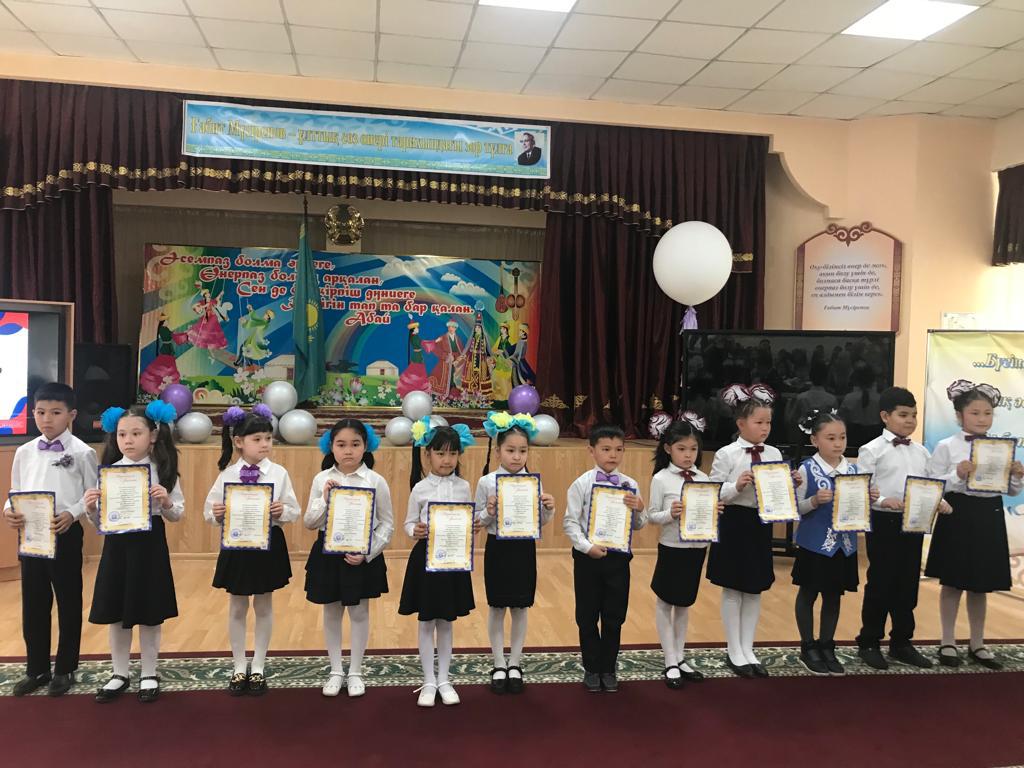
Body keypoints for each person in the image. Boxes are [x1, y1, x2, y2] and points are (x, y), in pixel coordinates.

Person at [3, 383, 97, 697]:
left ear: (71, 415)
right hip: (32, 536)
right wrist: (9, 510)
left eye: (55, 412)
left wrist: (72, 513)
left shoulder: (83, 452)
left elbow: (92, 494)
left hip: (65, 534)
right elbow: (15, 490)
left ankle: (66, 667)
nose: (47, 419)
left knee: (68, 602)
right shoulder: (24, 451)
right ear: (33, 413)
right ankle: (37, 669)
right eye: (41, 412)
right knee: (33, 603)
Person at [85, 402, 183, 703]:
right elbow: (99, 521)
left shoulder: (164, 471)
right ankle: (119, 673)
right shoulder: (109, 472)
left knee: (150, 611)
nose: (128, 440)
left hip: (149, 545)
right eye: (122, 434)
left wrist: (166, 502)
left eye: (136, 433)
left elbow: (177, 514)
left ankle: (149, 672)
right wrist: (92, 508)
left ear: (152, 435)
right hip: (117, 546)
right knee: (116, 611)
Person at [926, 380, 1023, 670]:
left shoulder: (1001, 448)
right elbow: (933, 485)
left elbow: (1010, 491)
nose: (982, 419)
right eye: (975, 413)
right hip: (957, 514)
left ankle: (977, 643)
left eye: (988, 413)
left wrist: (1017, 476)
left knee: (981, 584)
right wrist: (957, 474)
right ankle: (947, 641)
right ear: (959, 415)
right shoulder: (946, 446)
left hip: (988, 514)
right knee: (952, 581)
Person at [204, 404, 299, 696]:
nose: (264, 444)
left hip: (268, 545)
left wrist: (283, 511)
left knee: (264, 604)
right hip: (237, 547)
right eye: (257, 439)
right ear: (239, 441)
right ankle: (238, 665)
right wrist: (216, 513)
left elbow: (294, 510)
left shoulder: (279, 473)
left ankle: (258, 665)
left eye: (268, 438)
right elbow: (209, 511)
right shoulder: (227, 474)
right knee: (237, 606)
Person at [709, 384, 801, 678]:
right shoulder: (726, 454)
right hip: (733, 522)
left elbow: (777, 492)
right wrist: (736, 486)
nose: (765, 428)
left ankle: (748, 648)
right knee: (732, 586)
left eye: (768, 423)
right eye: (759, 422)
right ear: (741, 424)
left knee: (754, 587)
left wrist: (791, 483)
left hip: (760, 523)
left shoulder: (773, 452)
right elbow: (712, 491)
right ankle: (733, 649)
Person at [304, 419, 393, 698]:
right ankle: (335, 670)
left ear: (366, 446)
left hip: (361, 556)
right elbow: (309, 522)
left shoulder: (376, 481)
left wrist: (367, 553)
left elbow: (387, 524)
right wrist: (324, 498)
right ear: (330, 447)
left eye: (355, 444)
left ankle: (355, 671)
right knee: (331, 611)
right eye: (341, 444)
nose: (348, 451)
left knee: (359, 612)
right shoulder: (321, 479)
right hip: (328, 555)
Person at [854, 386, 939, 670]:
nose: (910, 420)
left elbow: (929, 484)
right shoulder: (871, 450)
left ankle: (901, 641)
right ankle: (869, 641)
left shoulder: (922, 451)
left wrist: (938, 500)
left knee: (907, 584)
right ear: (885, 416)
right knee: (881, 582)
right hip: (884, 523)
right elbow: (862, 488)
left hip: (913, 523)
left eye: (914, 415)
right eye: (903, 415)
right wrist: (881, 500)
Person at [398, 419, 478, 707]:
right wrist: (414, 530)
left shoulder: (464, 486)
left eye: (453, 454)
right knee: (426, 621)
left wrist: (472, 525)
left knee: (446, 621)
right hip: (426, 560)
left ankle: (444, 679)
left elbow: (467, 520)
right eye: (441, 453)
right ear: (428, 454)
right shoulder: (420, 488)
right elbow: (408, 522)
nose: (447, 460)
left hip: (453, 560)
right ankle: (428, 680)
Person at [792, 410, 878, 676]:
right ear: (815, 440)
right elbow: (795, 507)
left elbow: (859, 508)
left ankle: (827, 645)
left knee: (833, 595)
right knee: (808, 593)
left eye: (842, 437)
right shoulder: (806, 469)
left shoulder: (854, 471)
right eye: (830, 438)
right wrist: (814, 501)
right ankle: (808, 646)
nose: (838, 443)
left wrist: (870, 498)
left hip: (844, 545)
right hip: (813, 544)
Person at [475, 411, 555, 695]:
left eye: (522, 450)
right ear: (498, 451)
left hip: (523, 548)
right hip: (498, 548)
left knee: (521, 607)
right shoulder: (487, 482)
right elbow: (476, 521)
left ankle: (516, 663)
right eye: (510, 450)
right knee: (497, 606)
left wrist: (548, 508)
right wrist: (488, 511)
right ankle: (499, 662)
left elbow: (540, 522)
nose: (517, 456)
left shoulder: (533, 482)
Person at [563, 424, 646, 693]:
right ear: (592, 451)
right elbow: (570, 522)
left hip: (618, 559)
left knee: (614, 616)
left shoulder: (630, 485)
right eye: (606, 449)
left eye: (618, 449)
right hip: (588, 559)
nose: (613, 455)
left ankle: (608, 668)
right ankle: (591, 668)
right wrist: (587, 547)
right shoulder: (581, 484)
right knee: (587, 616)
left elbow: (638, 525)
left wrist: (639, 509)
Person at [647, 412, 718, 689]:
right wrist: (670, 513)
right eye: (681, 449)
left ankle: (680, 655)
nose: (688, 455)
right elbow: (652, 515)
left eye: (693, 449)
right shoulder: (662, 479)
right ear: (668, 449)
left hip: (697, 547)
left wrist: (714, 511)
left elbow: (706, 511)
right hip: (672, 547)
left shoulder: (704, 477)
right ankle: (669, 659)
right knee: (666, 601)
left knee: (685, 602)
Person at [427, 319, 464, 400]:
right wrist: (446, 356)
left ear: (455, 328)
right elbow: (435, 348)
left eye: (453, 327)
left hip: (455, 363)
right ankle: (443, 394)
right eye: (449, 327)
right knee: (443, 378)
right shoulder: (442, 338)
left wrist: (457, 359)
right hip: (445, 363)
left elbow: (461, 351)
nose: (451, 329)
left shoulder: (458, 339)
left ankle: (453, 393)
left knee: (454, 378)